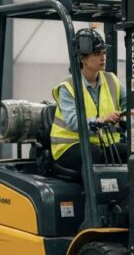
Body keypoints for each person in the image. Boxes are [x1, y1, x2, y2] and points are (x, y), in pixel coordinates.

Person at [50, 28, 128, 171]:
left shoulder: (111, 80)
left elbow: (130, 103)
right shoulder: (68, 88)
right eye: (97, 54)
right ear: (82, 58)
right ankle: (96, 194)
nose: (103, 57)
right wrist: (102, 120)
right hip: (69, 146)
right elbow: (75, 123)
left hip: (101, 144)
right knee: (94, 156)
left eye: (103, 52)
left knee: (131, 153)